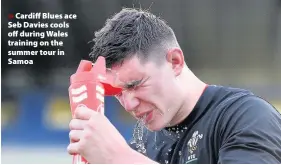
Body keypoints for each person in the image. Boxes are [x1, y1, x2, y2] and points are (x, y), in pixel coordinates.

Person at [67, 8, 281, 164]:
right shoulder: (142, 141)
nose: (129, 104)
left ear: (175, 62)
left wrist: (120, 157)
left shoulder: (246, 116)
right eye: (118, 93)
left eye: (134, 85)